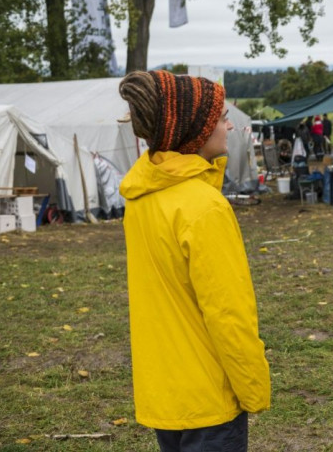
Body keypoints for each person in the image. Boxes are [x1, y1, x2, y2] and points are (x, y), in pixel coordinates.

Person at [118, 70, 271, 452]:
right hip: (208, 400)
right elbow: (229, 314)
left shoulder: (141, 198)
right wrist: (253, 391)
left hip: (165, 393)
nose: (229, 124)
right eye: (221, 118)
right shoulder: (204, 208)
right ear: (196, 130)